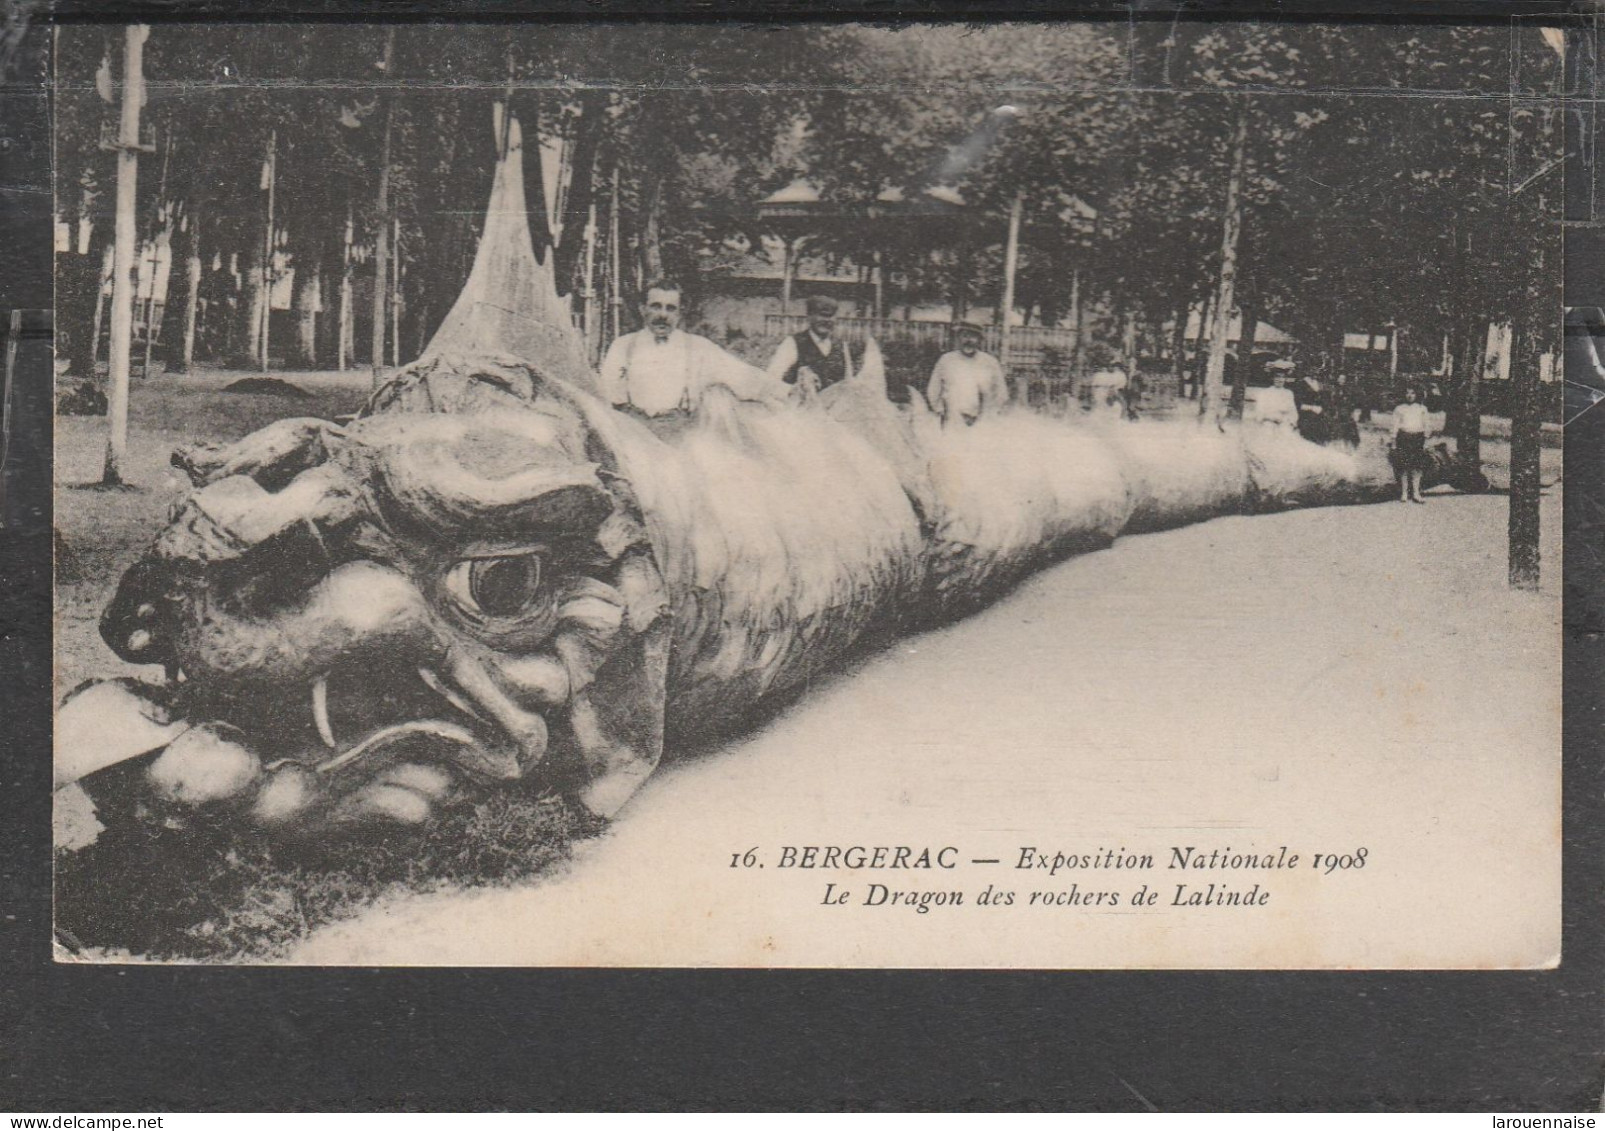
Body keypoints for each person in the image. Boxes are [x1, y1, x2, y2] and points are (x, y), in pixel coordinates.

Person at [599, 280, 772, 417]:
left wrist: (787, 391)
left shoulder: (698, 347)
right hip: (634, 438)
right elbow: (605, 395)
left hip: (681, 441)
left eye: (670, 308)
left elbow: (744, 376)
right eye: (656, 306)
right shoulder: (623, 346)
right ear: (642, 309)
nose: (663, 315)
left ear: (679, 313)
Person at [764, 295, 865, 400]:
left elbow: (848, 384)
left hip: (833, 412)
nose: (826, 321)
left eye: (830, 316)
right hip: (800, 411)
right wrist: (794, 391)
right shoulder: (793, 343)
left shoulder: (841, 346)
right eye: (821, 315)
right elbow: (771, 380)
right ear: (809, 316)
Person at [925, 322, 1010, 426]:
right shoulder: (946, 360)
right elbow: (933, 389)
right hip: (953, 419)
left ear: (980, 340)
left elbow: (1001, 392)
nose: (968, 340)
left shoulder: (990, 362)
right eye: (965, 336)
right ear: (959, 338)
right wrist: (940, 411)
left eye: (973, 337)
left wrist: (992, 414)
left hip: (983, 421)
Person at [1391, 385, 1431, 503]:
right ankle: (1404, 493)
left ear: (1416, 394)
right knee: (1403, 467)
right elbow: (1395, 425)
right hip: (1403, 438)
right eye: (1407, 393)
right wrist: (1393, 441)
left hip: (1417, 438)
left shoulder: (1422, 408)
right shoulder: (1399, 408)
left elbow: (1427, 425)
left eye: (1412, 393)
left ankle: (1416, 493)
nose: (1410, 395)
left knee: (1417, 467)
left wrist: (1426, 441)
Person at [1291, 365, 1329, 444]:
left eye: (1317, 369)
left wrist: (1322, 408)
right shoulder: (1301, 383)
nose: (1315, 372)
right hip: (1305, 414)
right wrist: (1312, 408)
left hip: (1319, 414)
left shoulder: (1319, 384)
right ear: (1308, 371)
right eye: (1313, 369)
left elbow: (1324, 401)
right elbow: (1298, 403)